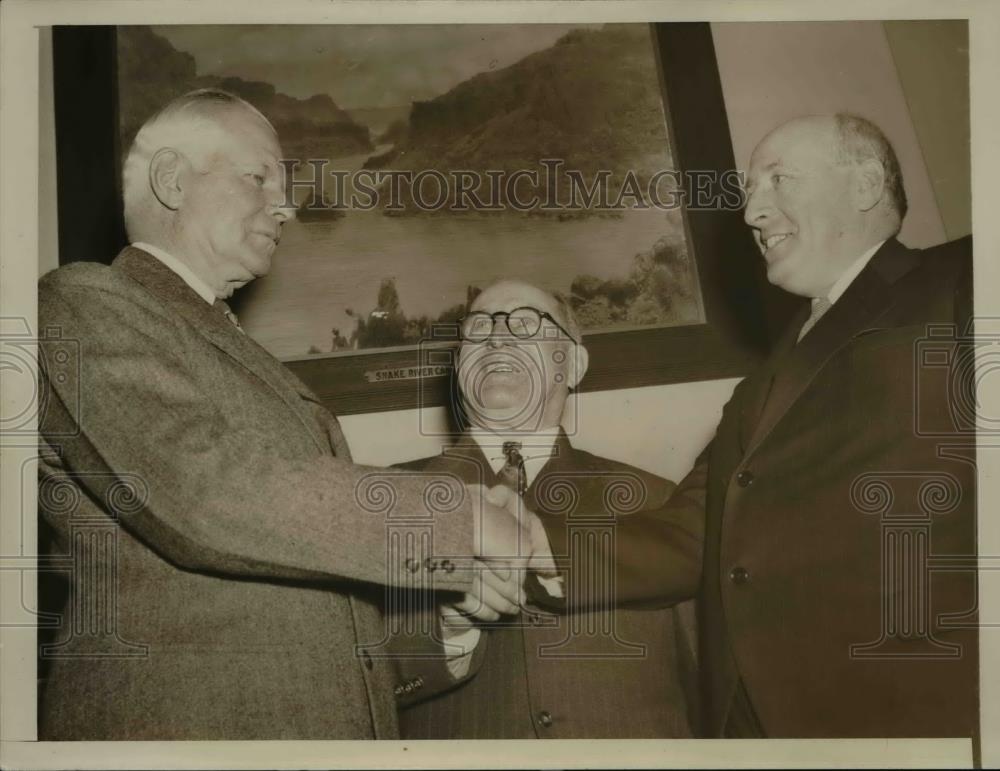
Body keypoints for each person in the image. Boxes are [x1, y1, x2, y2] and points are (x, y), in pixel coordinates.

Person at [35, 89, 532, 740]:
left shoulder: (244, 357)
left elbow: (311, 605)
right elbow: (205, 493)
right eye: (258, 176)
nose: (287, 205)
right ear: (172, 179)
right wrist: (459, 518)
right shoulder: (80, 304)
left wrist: (447, 622)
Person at [644, 113, 976, 738]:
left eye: (778, 180)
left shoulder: (965, 278)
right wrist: (525, 547)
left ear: (865, 185)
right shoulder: (754, 391)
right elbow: (694, 530)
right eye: (749, 191)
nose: (751, 213)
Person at [390, 279, 699, 739]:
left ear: (573, 364)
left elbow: (709, 675)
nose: (496, 337)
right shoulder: (390, 500)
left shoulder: (658, 500)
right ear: (459, 367)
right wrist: (445, 632)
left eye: (526, 323)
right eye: (477, 328)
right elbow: (351, 686)